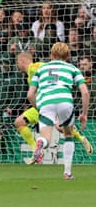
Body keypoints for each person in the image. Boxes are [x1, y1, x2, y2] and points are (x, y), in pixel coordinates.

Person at [17, 51, 93, 165]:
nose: (17, 65)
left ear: (21, 62)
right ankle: (35, 150)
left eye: (17, 63)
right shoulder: (29, 74)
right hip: (40, 105)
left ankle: (81, 138)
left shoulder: (35, 67)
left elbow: (48, 69)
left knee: (59, 127)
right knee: (19, 122)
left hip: (49, 103)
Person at [28, 42, 89, 180]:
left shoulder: (41, 69)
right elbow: (84, 92)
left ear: (51, 55)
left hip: (46, 102)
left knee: (46, 138)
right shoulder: (72, 68)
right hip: (65, 101)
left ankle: (40, 143)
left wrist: (40, 108)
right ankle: (67, 172)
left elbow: (30, 95)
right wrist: (84, 114)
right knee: (68, 135)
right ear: (67, 56)